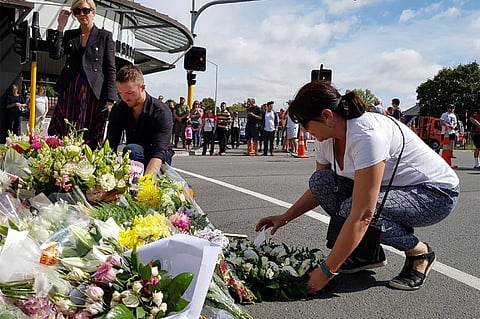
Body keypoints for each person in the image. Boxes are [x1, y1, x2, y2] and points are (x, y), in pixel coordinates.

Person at [256, 81, 459, 293]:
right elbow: (322, 189)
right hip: (391, 190)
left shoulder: (367, 136)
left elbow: (363, 213)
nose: (304, 130)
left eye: (305, 124)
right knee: (321, 181)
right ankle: (366, 254)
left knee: (354, 209)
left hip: (434, 194)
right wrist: (285, 217)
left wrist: (326, 271)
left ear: (326, 116)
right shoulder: (327, 137)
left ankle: (419, 253)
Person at [47, 0, 116, 147]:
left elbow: (110, 69)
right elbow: (55, 54)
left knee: (89, 129)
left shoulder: (105, 36)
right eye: (77, 11)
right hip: (71, 88)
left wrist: (110, 99)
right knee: (64, 128)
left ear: (93, 12)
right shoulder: (70, 35)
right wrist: (60, 27)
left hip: (93, 91)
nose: (81, 14)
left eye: (85, 10)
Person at [106, 64, 173, 175]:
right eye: (120, 93)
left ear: (142, 88)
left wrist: (146, 184)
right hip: (135, 151)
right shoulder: (118, 108)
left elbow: (159, 153)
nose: (125, 98)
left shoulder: (161, 111)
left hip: (159, 153)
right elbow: (110, 144)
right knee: (131, 150)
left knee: (131, 150)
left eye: (129, 93)